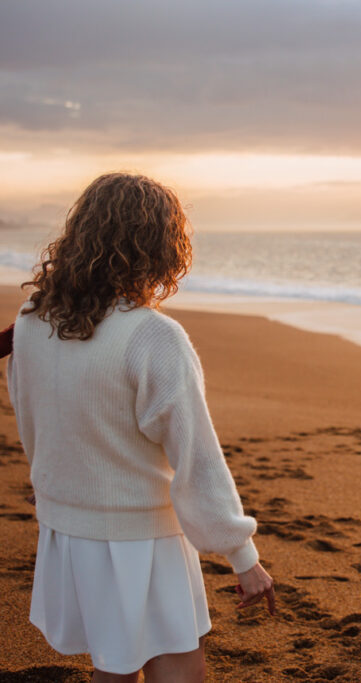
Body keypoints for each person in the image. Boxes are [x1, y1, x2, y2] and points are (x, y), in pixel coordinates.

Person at [6, 172, 275, 683]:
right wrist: (244, 557)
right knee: (178, 672)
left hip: (69, 533)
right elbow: (196, 459)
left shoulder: (32, 318)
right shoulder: (152, 336)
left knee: (114, 667)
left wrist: (54, 498)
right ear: (159, 247)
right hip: (139, 539)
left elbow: (31, 419)